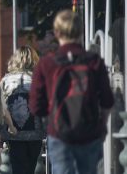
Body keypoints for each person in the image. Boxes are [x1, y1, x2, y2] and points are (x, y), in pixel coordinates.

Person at [29, 9, 114, 174]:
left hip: (59, 134)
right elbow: (107, 101)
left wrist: (53, 116)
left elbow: (35, 106)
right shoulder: (94, 61)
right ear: (80, 31)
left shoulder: (46, 64)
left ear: (57, 32)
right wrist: (102, 125)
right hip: (89, 133)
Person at [0, 46, 45, 174]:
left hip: (14, 133)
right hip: (35, 133)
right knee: (32, 167)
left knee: (18, 167)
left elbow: (0, 107)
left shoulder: (5, 81)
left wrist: (1, 131)